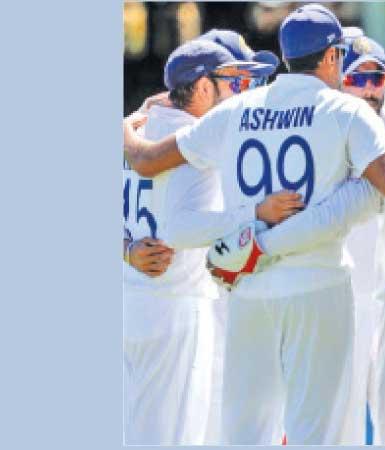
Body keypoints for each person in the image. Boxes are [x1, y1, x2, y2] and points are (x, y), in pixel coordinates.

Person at [121, 3, 385, 444]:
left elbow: (144, 159)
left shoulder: (234, 111)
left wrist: (127, 124)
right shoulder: (348, 111)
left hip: (250, 287)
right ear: (332, 57)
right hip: (318, 285)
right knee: (318, 431)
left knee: (246, 433)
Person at [122, 39, 277, 445]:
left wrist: (124, 249)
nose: (238, 92)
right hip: (173, 307)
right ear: (204, 88)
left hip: (127, 297)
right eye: (231, 82)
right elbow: (181, 228)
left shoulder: (134, 127)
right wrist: (255, 214)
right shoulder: (196, 139)